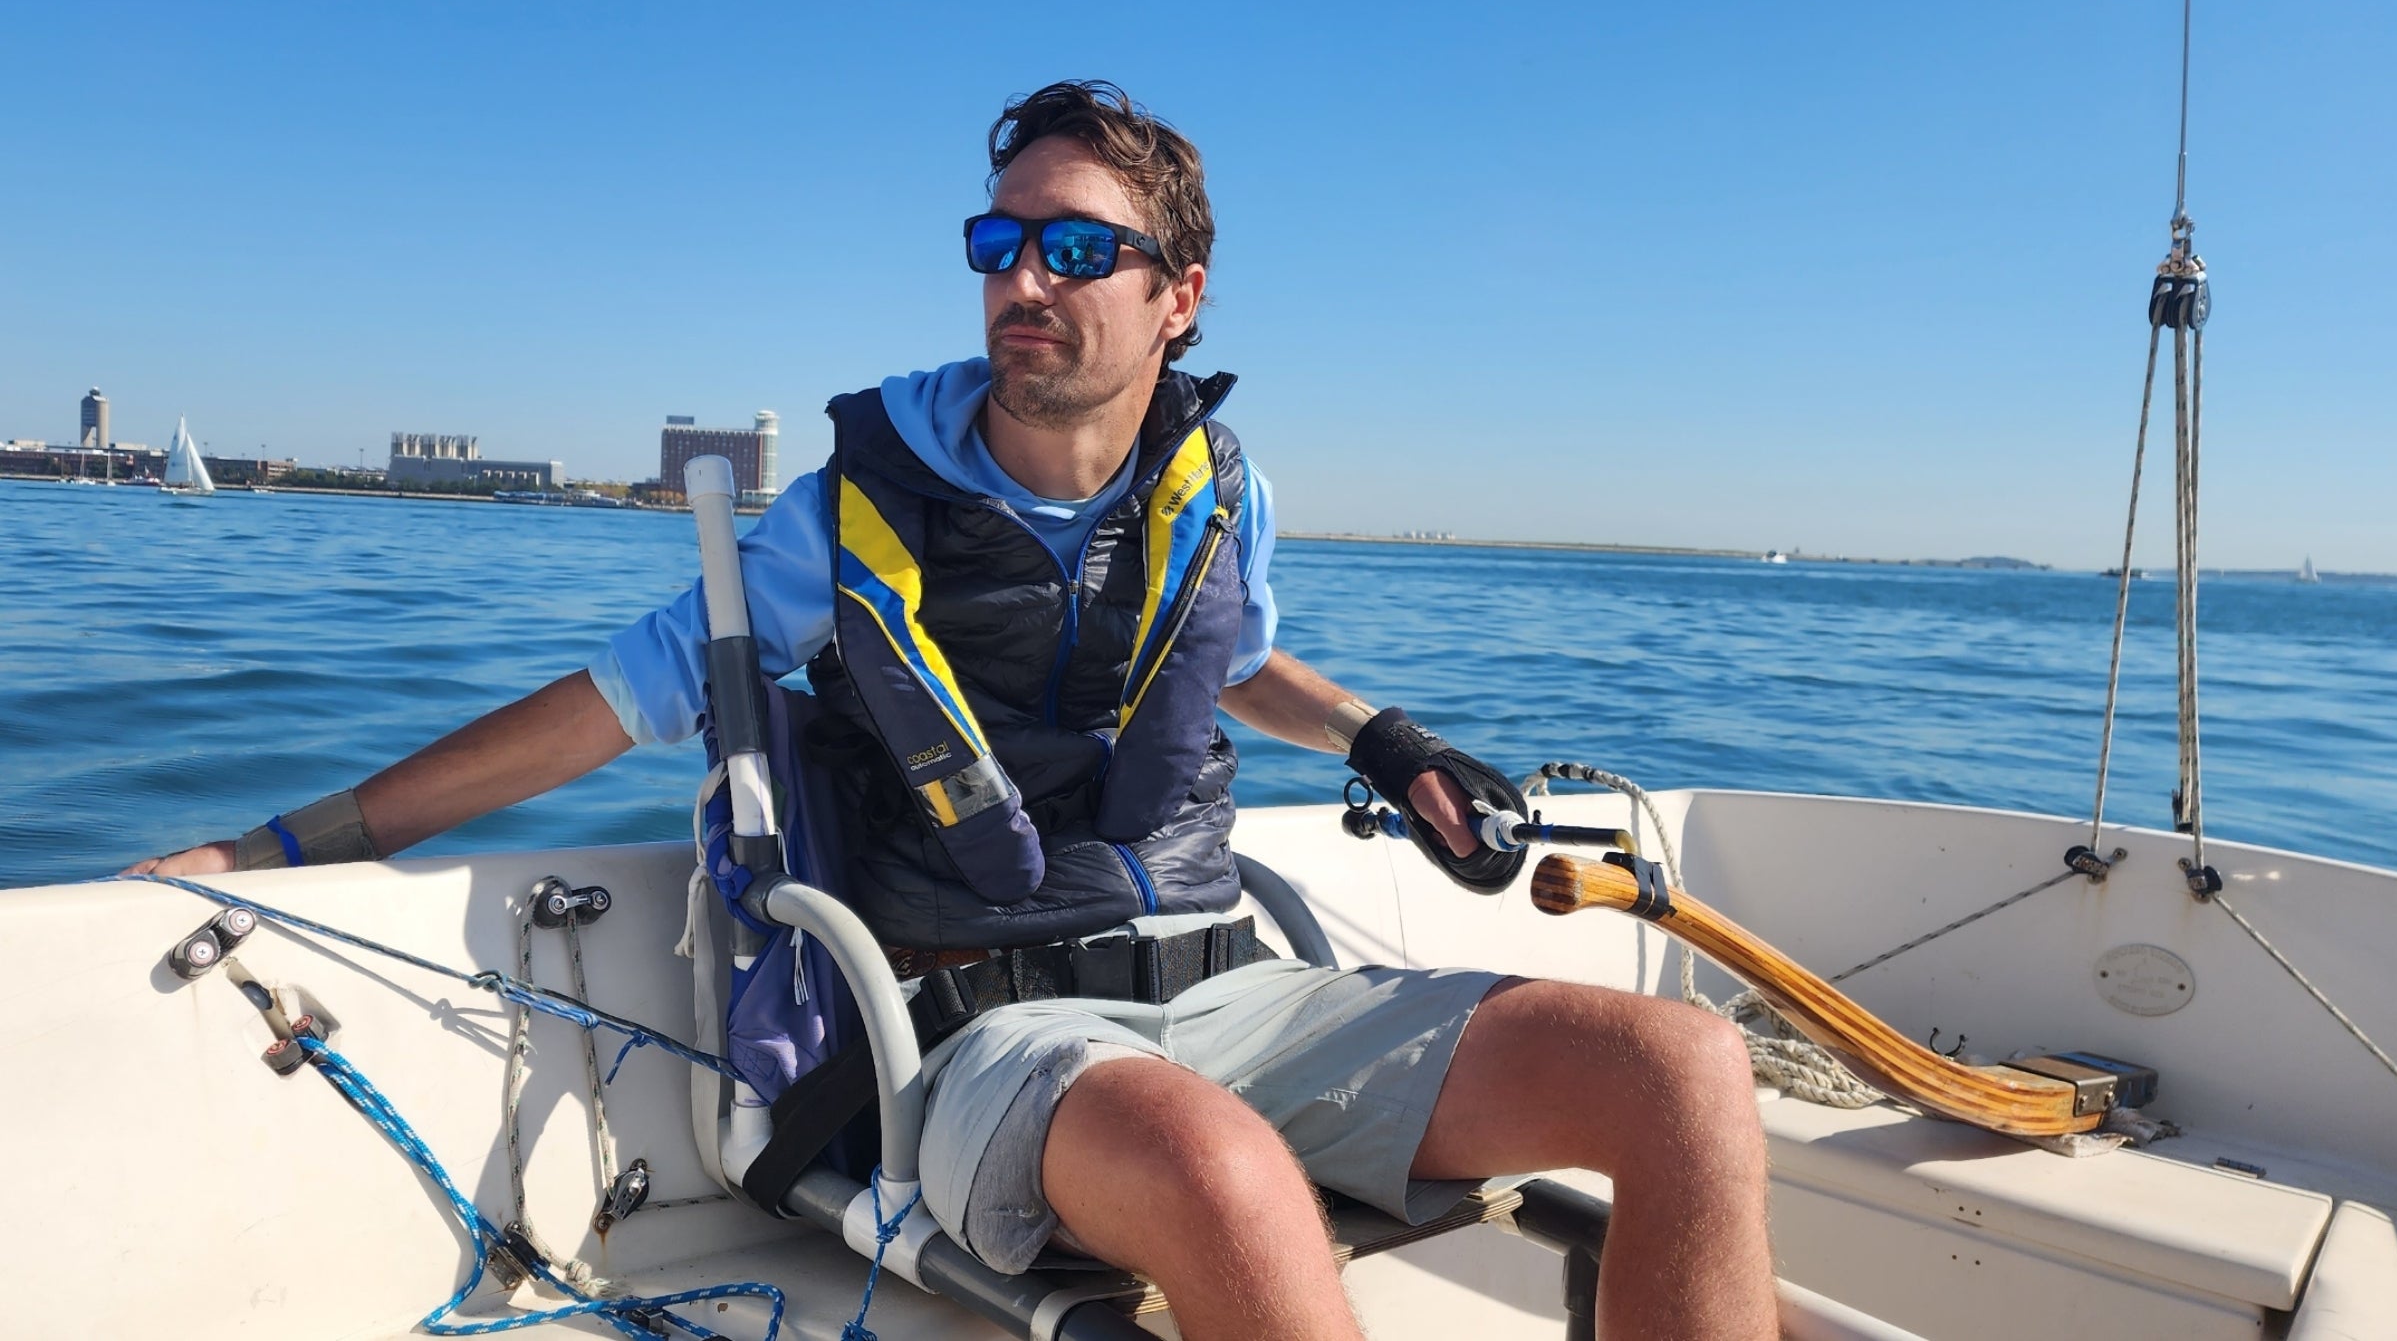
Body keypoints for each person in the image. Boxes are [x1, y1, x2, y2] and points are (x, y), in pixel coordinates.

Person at [133, 80, 1775, 1340]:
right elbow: (605, 707)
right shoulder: (859, 507)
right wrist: (280, 844)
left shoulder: (1222, 492)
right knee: (1218, 1169)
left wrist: (1379, 739)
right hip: (984, 1036)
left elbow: (1226, 662)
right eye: (1002, 244)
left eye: (1079, 249)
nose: (1025, 280)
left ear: (1180, 296)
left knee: (1685, 1072)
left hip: (1236, 987)